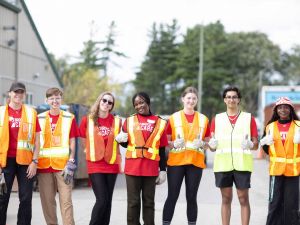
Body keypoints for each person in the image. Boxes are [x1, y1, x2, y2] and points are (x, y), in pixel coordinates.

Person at [115, 92, 168, 225]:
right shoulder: (129, 121)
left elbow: (161, 148)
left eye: (142, 102)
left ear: (148, 102)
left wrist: (163, 170)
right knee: (133, 203)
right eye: (136, 104)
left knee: (149, 202)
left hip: (150, 169)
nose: (139, 106)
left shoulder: (160, 122)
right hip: (132, 168)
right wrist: (121, 141)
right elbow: (127, 144)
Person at [208, 86, 258, 225]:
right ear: (224, 100)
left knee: (243, 198)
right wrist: (211, 145)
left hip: (242, 164)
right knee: (226, 198)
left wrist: (250, 144)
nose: (231, 99)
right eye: (228, 97)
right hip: (223, 165)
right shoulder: (217, 119)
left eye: (234, 97)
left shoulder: (249, 118)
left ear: (239, 100)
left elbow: (256, 144)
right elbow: (212, 147)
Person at [162, 87, 210, 225]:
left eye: (194, 98)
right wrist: (173, 144)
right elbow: (166, 142)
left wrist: (203, 144)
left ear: (197, 100)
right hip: (176, 163)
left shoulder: (203, 119)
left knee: (191, 197)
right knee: (172, 196)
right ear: (183, 99)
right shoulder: (173, 118)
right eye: (188, 98)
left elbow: (207, 144)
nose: (191, 100)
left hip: (195, 163)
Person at [0, 82, 41, 225]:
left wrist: (34, 162)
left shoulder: (31, 113)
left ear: (24, 94)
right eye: (15, 92)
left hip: (26, 162)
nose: (18, 95)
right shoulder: (0, 112)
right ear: (9, 93)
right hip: (4, 162)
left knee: (25, 199)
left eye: (21, 92)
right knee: (2, 198)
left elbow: (37, 141)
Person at [79, 91, 122, 225]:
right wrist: (87, 149)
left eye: (110, 102)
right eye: (104, 100)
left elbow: (122, 140)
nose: (106, 104)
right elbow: (82, 137)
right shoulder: (88, 119)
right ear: (99, 101)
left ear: (111, 106)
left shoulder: (117, 121)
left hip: (112, 163)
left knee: (108, 201)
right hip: (95, 163)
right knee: (102, 199)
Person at [37, 87, 78, 225]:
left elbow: (73, 139)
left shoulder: (69, 117)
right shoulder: (40, 118)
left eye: (57, 98)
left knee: (66, 201)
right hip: (43, 166)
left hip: (63, 166)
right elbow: (35, 141)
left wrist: (71, 159)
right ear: (47, 100)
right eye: (52, 98)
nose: (55, 101)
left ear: (61, 99)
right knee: (47, 202)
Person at [260, 97, 300, 225]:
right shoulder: (270, 127)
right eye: (280, 107)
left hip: (293, 171)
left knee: (291, 204)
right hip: (276, 171)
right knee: (274, 202)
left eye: (286, 107)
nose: (283, 110)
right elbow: (266, 149)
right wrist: (265, 143)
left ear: (291, 109)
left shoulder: (299, 126)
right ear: (276, 110)